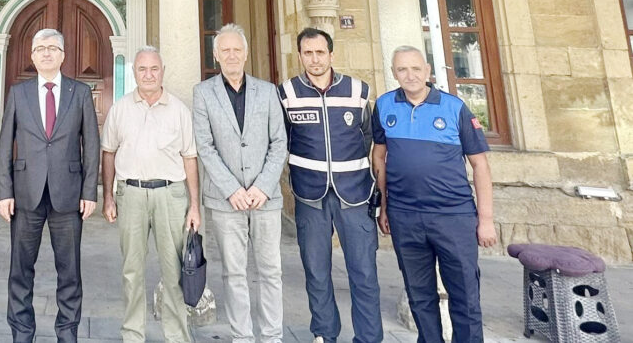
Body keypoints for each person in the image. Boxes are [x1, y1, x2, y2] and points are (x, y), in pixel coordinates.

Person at [372, 45, 497, 343]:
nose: (410, 75)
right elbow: (379, 158)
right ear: (394, 73)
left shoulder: (454, 108)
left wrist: (486, 219)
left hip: (453, 216)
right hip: (406, 217)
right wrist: (385, 207)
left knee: (465, 294)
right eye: (402, 69)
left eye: (416, 68)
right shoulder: (384, 105)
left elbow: (480, 165)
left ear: (427, 71)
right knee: (419, 295)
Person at [0, 28, 100, 343]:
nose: (46, 53)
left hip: (68, 196)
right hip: (25, 193)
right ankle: (22, 332)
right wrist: (4, 192)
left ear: (63, 55)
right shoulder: (19, 92)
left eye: (53, 48)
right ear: (31, 55)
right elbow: (5, 145)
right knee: (20, 270)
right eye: (40, 48)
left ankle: (67, 332)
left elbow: (92, 145)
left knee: (69, 271)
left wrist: (89, 192)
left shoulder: (80, 93)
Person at [278, 27, 381, 343]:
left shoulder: (357, 91)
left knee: (363, 273)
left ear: (331, 54)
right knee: (316, 272)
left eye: (320, 52)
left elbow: (368, 138)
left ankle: (368, 337)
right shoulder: (287, 93)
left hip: (355, 195)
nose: (314, 59)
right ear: (300, 56)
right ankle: (324, 333)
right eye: (307, 53)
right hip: (310, 196)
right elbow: (283, 139)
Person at [192, 23, 287, 343]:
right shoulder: (203, 93)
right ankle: (242, 337)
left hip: (266, 198)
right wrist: (232, 189)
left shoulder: (269, 90)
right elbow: (205, 147)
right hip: (225, 200)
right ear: (215, 55)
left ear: (245, 54)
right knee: (234, 274)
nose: (231, 55)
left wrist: (261, 186)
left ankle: (272, 336)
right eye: (225, 50)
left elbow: (279, 143)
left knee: (271, 272)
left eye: (237, 49)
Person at [101, 46, 201, 343]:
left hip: (170, 196)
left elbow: (190, 158)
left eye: (154, 69)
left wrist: (194, 204)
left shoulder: (179, 110)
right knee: (132, 271)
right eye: (142, 69)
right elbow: (108, 152)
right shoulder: (120, 108)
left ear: (162, 72)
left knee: (174, 272)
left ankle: (177, 337)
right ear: (134, 73)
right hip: (130, 195)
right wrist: (108, 195)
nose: (148, 75)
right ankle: (133, 335)